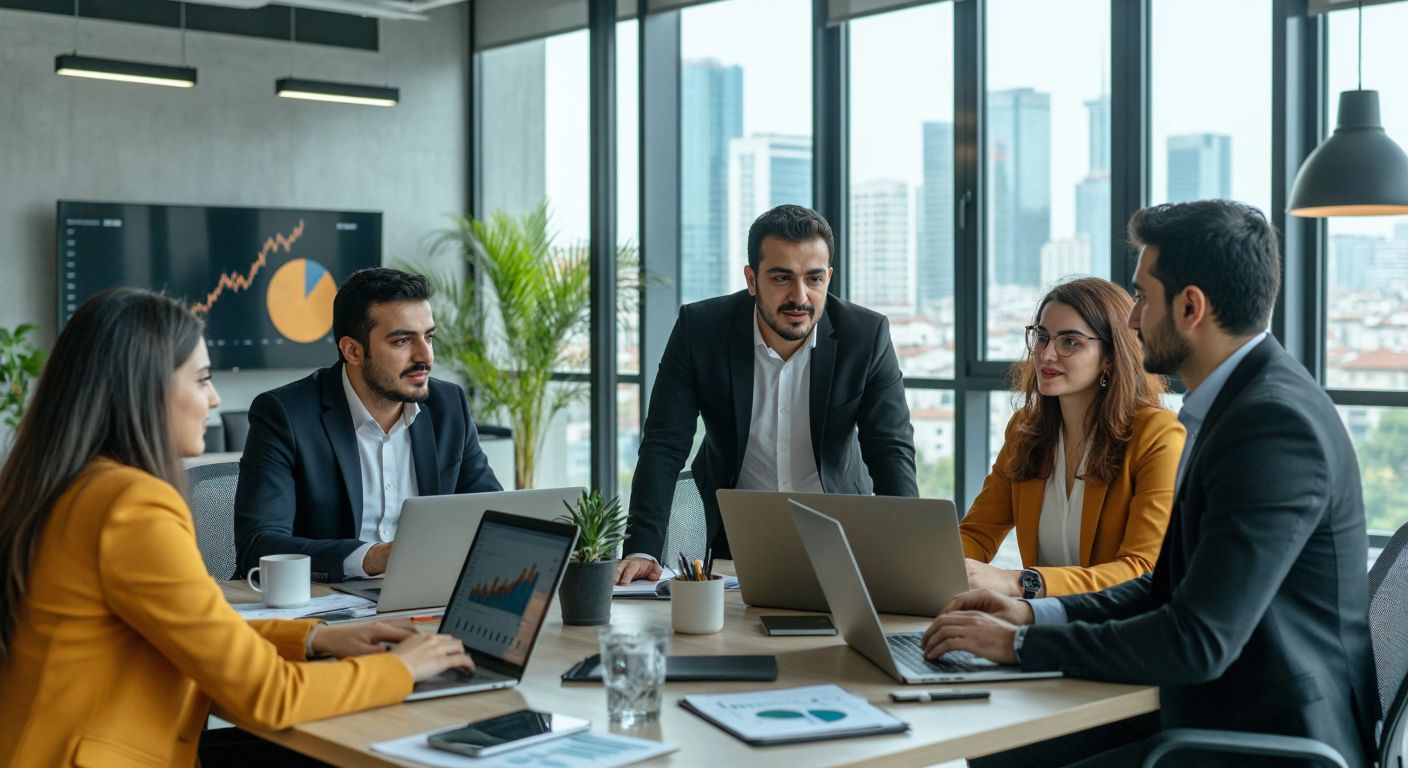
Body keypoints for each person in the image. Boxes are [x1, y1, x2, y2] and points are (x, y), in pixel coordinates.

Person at [923, 201, 1378, 767]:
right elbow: (1167, 586)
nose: (1133, 318)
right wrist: (1034, 615)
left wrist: (1020, 645)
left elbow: (1197, 639)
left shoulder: (1272, 425)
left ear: (1191, 307)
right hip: (1216, 705)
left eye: (1142, 296)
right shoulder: (1237, 406)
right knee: (999, 748)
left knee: (1010, 753)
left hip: (1267, 734)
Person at [0, 288, 474, 768]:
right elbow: (269, 696)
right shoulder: (130, 506)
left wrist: (313, 638)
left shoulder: (66, 484)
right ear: (142, 388)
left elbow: (193, 627)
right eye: (202, 379)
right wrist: (402, 668)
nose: (215, 398)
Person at [616, 204, 918, 584]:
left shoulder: (866, 336)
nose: (800, 297)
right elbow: (664, 443)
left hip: (841, 540)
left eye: (814, 279)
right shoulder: (701, 330)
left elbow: (890, 449)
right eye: (781, 278)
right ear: (752, 279)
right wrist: (642, 547)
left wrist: (910, 556)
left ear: (828, 277)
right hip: (730, 545)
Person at [235, 267, 502, 583]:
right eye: (402, 341)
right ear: (353, 351)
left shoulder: (448, 406)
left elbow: (492, 516)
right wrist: (373, 558)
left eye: (429, 337)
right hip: (325, 605)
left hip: (425, 598)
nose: (425, 356)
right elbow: (260, 544)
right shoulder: (286, 414)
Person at [960, 277, 1184, 599]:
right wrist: (933, 565)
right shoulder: (1025, 429)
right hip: (1035, 627)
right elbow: (977, 534)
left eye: (1070, 342)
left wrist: (1021, 582)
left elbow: (1142, 570)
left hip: (1115, 632)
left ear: (1110, 356)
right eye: (1042, 337)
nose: (1046, 354)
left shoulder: (1158, 436)